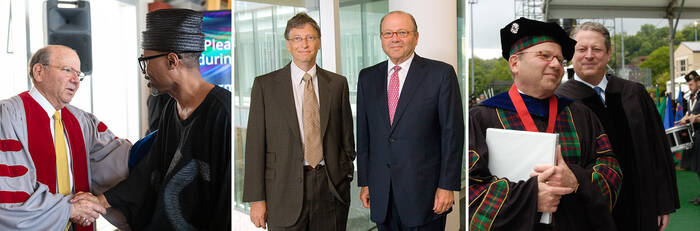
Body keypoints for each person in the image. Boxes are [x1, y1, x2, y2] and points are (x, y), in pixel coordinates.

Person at [73, 9, 232, 230]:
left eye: (146, 60)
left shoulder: (223, 113)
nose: (145, 70)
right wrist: (101, 201)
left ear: (172, 61)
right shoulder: (171, 108)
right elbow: (150, 169)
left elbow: (228, 203)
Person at [469, 18, 623, 230]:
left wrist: (576, 179)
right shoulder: (481, 118)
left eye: (560, 60)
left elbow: (611, 170)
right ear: (515, 63)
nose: (556, 65)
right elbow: (470, 188)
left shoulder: (580, 115)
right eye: (545, 56)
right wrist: (531, 197)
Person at [556, 21, 679, 230]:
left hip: (639, 206)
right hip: (585, 212)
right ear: (571, 53)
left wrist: (662, 204)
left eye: (596, 49)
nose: (589, 55)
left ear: (608, 53)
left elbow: (657, 152)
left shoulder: (634, 94)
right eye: (581, 49)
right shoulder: (559, 102)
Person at [242, 12, 356, 231]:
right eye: (297, 38)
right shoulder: (265, 86)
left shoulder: (338, 84)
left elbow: (346, 138)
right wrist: (257, 199)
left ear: (319, 42)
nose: (304, 43)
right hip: (283, 190)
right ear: (288, 44)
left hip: (330, 187)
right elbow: (255, 146)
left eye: (310, 37)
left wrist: (345, 174)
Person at [0, 45, 131, 230]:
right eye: (67, 70)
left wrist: (163, 137)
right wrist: (68, 210)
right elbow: (10, 191)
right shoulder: (7, 116)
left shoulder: (83, 121)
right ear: (39, 72)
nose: (76, 81)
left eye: (79, 74)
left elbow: (119, 161)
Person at [356, 11, 464, 231]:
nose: (395, 38)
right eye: (388, 33)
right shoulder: (367, 77)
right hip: (382, 193)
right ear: (381, 39)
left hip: (425, 195)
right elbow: (364, 134)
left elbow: (452, 134)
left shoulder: (441, 74)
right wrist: (366, 182)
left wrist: (447, 186)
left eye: (402, 32)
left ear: (416, 37)